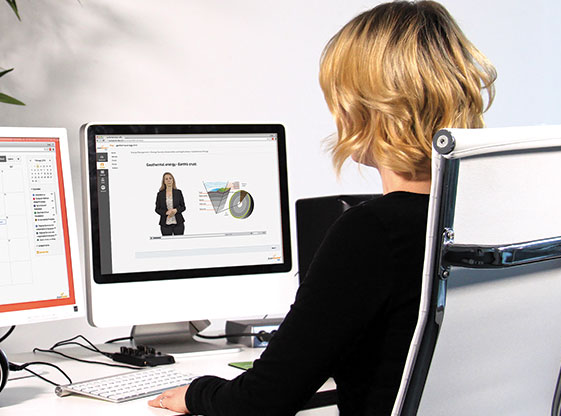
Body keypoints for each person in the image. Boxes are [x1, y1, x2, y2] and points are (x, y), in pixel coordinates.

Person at [149, 1, 496, 414]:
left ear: (366, 107)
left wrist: (196, 392)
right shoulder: (495, 218)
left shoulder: (375, 232)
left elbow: (263, 400)